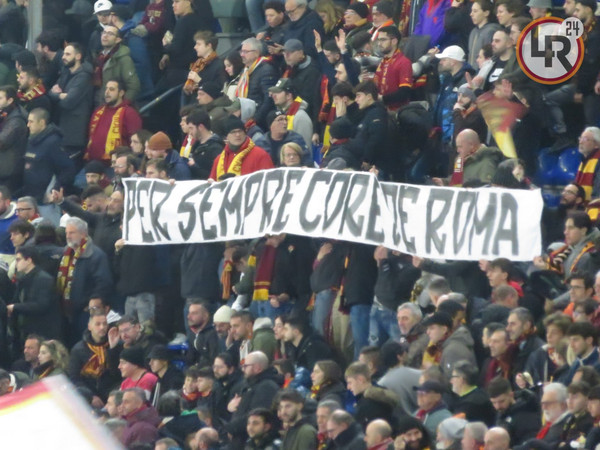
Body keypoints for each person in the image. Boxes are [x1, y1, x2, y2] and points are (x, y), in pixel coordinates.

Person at [57, 217, 113, 344]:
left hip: (85, 312)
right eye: (66, 233)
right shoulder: (66, 253)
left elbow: (104, 282)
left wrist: (93, 301)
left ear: (83, 234)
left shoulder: (96, 255)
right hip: (66, 310)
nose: (68, 236)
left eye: (72, 233)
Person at [22, 108, 75, 221]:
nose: (28, 125)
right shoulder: (31, 140)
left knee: (49, 229)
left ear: (42, 122)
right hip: (31, 198)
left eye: (31, 121)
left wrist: (54, 190)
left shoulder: (53, 143)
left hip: (46, 202)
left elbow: (68, 169)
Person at [6, 246, 62, 348]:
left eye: (18, 259)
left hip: (42, 332)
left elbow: (41, 305)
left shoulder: (44, 279)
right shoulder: (23, 278)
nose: (16, 263)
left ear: (29, 260)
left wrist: (15, 307)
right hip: (27, 330)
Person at [224, 351, 282, 446]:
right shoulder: (249, 385)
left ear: (257, 368)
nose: (243, 369)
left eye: (246, 366)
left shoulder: (267, 387)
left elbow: (256, 415)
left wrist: (230, 428)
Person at [49, 43, 94, 164]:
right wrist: (61, 95)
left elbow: (68, 102)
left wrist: (58, 95)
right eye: (64, 54)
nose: (64, 57)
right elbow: (50, 93)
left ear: (78, 56)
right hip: (61, 129)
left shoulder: (84, 77)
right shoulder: (66, 73)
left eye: (68, 54)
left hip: (74, 133)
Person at [85, 79, 142, 163]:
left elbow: (135, 142)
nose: (107, 92)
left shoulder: (130, 113)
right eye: (106, 89)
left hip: (115, 164)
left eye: (111, 89)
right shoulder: (99, 111)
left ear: (121, 93)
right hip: (92, 161)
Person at [68, 311, 121, 402]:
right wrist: (90, 396)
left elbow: (118, 374)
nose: (102, 327)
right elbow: (74, 378)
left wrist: (112, 349)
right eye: (98, 324)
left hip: (112, 392)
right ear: (89, 326)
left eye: (105, 324)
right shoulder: (78, 349)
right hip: (89, 395)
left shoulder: (117, 345)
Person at [208, 115, 274, 181]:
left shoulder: (259, 154)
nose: (238, 135)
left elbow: (270, 179)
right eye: (233, 132)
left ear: (245, 133)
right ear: (226, 136)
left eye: (240, 131)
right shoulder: (218, 160)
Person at [433, 129, 503, 186]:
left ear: (471, 145)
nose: (458, 150)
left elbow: (485, 187)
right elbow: (457, 181)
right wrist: (444, 182)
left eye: (460, 147)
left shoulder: (487, 162)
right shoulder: (461, 160)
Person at [236, 38, 278, 128]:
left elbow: (269, 99)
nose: (242, 55)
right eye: (241, 51)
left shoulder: (266, 70)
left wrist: (255, 120)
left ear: (257, 52)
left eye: (245, 52)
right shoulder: (245, 70)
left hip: (259, 123)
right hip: (246, 118)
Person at [93, 24, 140, 104]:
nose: (105, 36)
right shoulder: (99, 56)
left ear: (118, 39)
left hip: (114, 106)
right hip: (99, 104)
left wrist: (121, 105)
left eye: (110, 34)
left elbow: (134, 86)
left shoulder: (124, 59)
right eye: (104, 32)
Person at [487, 376, 540, 445]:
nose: (497, 407)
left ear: (511, 395)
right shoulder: (503, 411)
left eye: (501, 401)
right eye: (494, 402)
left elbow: (529, 445)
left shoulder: (527, 413)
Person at [373, 26, 412, 111]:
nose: (379, 44)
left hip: (396, 111)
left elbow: (404, 93)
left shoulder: (404, 62)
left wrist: (382, 98)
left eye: (383, 40)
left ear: (394, 41)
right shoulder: (383, 61)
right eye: (378, 40)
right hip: (380, 108)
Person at [450, 360, 496, 426]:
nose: (451, 381)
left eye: (453, 377)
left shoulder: (469, 405)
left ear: (461, 379)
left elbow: (454, 426)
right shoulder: (481, 394)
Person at [0, 85, 27, 191]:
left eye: (0, 98)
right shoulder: (6, 113)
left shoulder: (17, 121)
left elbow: (2, 142)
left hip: (9, 171)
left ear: (10, 100)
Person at [574, 127, 600, 201]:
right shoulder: (584, 161)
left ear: (597, 144)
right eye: (580, 138)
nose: (580, 142)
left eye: (585, 139)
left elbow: (597, 193)